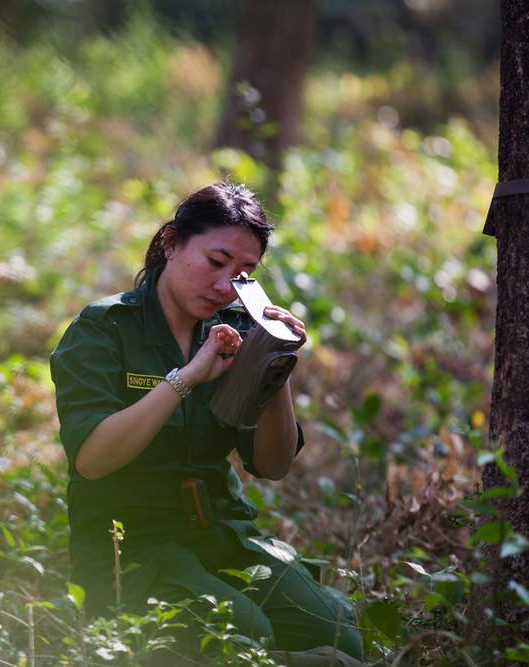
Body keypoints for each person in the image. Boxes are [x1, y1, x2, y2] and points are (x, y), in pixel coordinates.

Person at [50, 182, 363, 663]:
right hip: (133, 547)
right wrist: (188, 377)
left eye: (242, 274)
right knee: (241, 636)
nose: (224, 285)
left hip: (219, 531)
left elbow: (273, 465)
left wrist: (273, 365)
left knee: (339, 632)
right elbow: (93, 459)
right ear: (171, 243)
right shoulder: (105, 328)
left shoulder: (239, 331)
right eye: (215, 262)